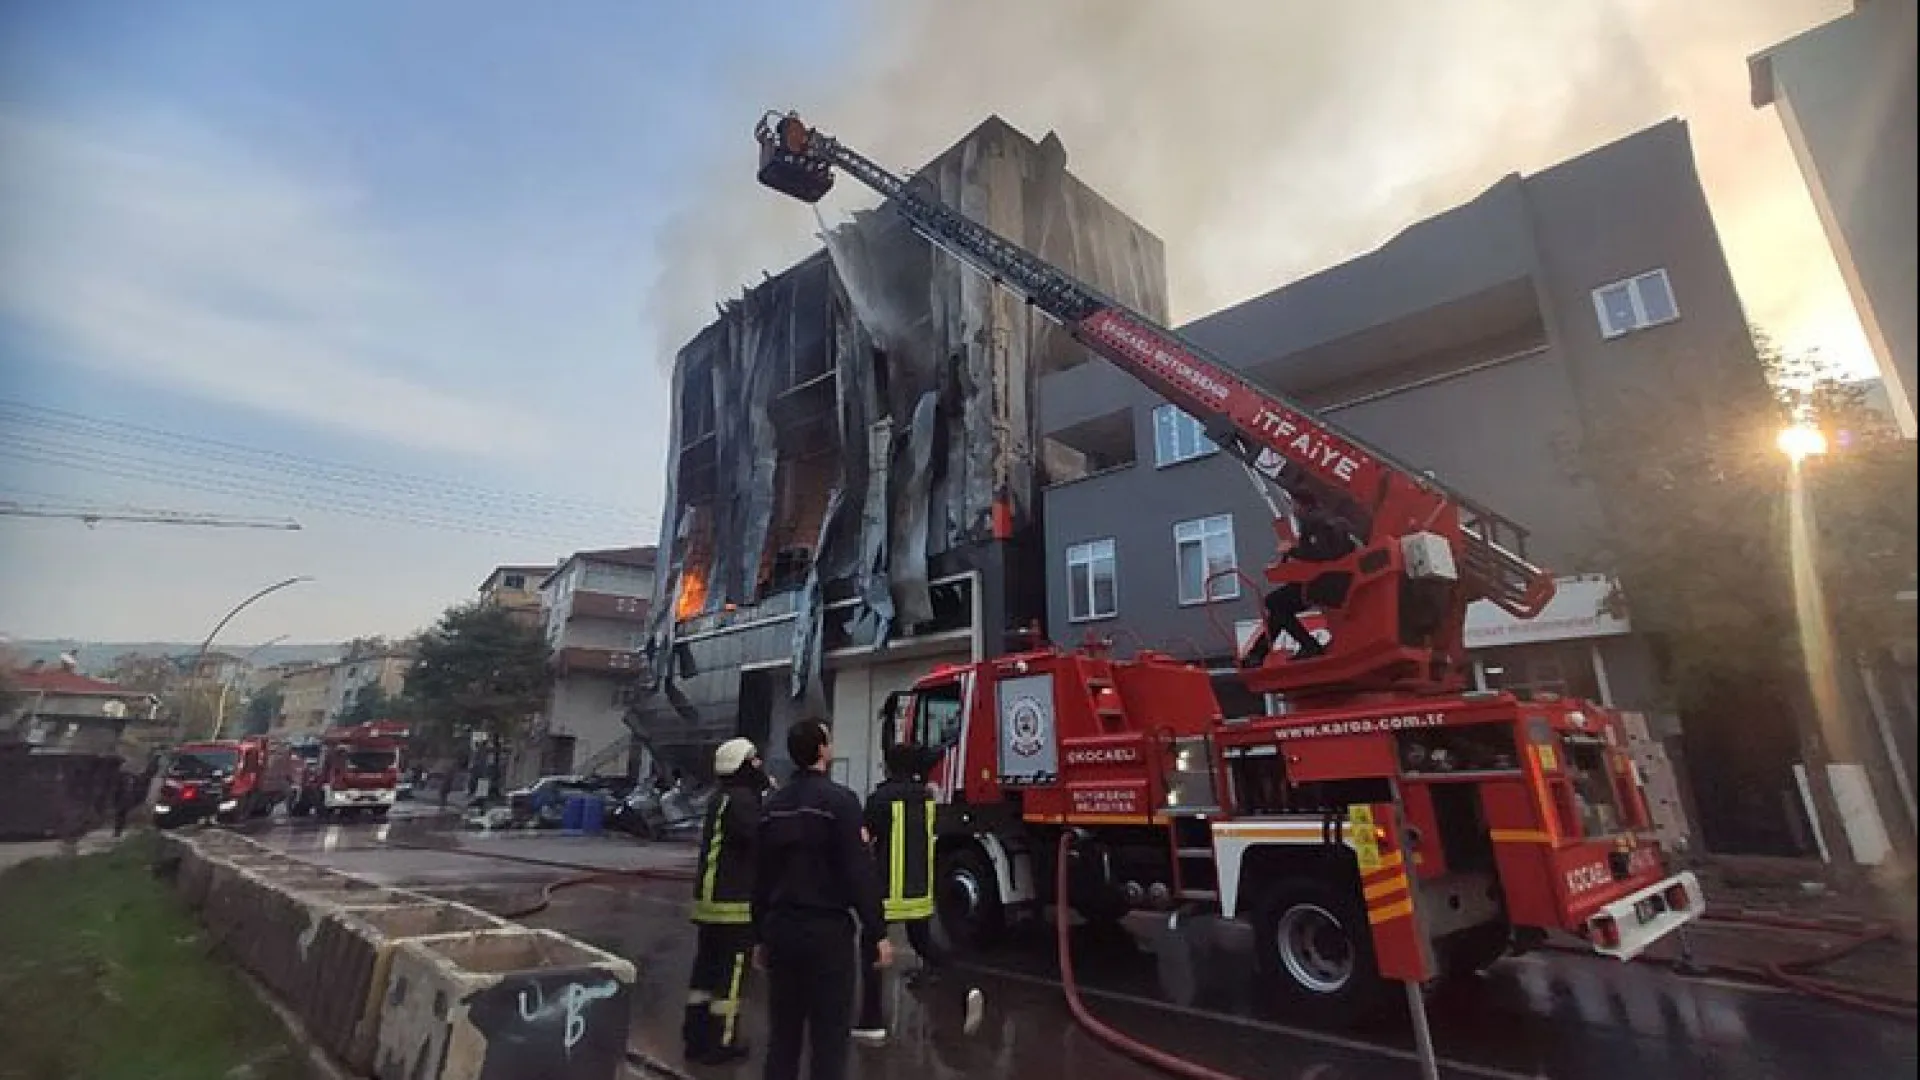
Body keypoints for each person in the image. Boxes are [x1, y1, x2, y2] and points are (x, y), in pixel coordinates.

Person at [752, 719, 889, 1080]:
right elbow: (859, 872)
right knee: (829, 1036)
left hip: (781, 928)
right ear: (822, 750)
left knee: (783, 1035)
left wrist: (760, 935)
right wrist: (876, 931)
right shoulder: (841, 803)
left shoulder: (774, 805)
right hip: (827, 932)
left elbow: (761, 875)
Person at [853, 746, 984, 1045]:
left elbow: (864, 838)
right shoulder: (926, 797)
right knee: (927, 946)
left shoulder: (880, 799)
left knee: (870, 948)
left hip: (887, 892)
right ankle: (966, 988)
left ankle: (871, 1021)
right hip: (919, 891)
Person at [684, 737, 769, 1066]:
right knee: (730, 977)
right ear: (743, 765)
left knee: (704, 974)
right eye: (754, 760)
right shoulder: (743, 801)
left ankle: (695, 1037)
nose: (759, 765)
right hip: (733, 904)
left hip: (710, 904)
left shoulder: (721, 798)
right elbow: (760, 840)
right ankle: (722, 1041)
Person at [1243, 492, 1358, 667]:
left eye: (1293, 505)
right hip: (1335, 578)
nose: (1292, 509)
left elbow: (1322, 553)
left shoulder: (1315, 522)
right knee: (1279, 606)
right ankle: (1257, 654)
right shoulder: (1331, 521)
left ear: (1300, 504)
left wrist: (1291, 550)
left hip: (1325, 582)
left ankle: (1309, 646)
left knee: (1274, 602)